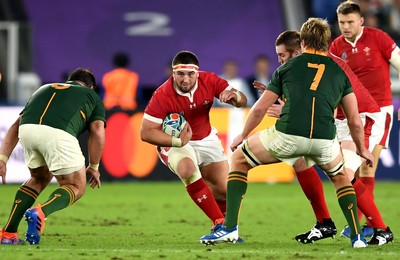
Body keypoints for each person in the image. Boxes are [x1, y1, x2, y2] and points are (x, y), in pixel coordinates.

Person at [199, 17, 374, 248]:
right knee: (341, 178)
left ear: (302, 42)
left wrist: (242, 135)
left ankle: (229, 228)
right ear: (328, 41)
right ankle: (357, 237)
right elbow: (353, 119)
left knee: (240, 159)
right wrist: (362, 149)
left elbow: (260, 107)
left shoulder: (288, 67)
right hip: (324, 140)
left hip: (289, 136)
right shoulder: (339, 69)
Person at [258, 30, 393, 245]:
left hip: (361, 119)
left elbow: (322, 107)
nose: (280, 61)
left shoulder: (328, 64)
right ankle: (324, 223)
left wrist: (285, 110)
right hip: (339, 121)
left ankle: (381, 229)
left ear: (298, 49)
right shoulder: (305, 66)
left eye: (283, 55)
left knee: (345, 175)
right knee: (300, 161)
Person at [140, 51, 247, 232]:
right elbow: (146, 132)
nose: (185, 79)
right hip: (175, 143)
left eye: (190, 74)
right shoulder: (162, 94)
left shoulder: (210, 80)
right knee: (187, 170)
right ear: (173, 73)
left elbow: (242, 101)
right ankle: (219, 223)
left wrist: (235, 97)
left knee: (224, 190)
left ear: (197, 73)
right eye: (180, 74)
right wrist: (176, 141)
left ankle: (228, 232)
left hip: (206, 138)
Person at [0, 68, 106, 245]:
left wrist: (3, 158)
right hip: (58, 133)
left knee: (38, 178)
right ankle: (40, 212)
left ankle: (8, 233)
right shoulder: (91, 95)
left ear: (69, 81)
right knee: (75, 186)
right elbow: (97, 130)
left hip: (27, 131)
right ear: (92, 87)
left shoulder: (43, 88)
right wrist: (94, 167)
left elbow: (16, 125)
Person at [329, 0, 400, 235]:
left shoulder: (379, 38)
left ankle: (368, 225)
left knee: (366, 169)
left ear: (361, 20)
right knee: (353, 171)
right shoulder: (335, 47)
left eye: (350, 22)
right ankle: (360, 223)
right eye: (342, 23)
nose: (346, 27)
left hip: (378, 112)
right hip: (348, 114)